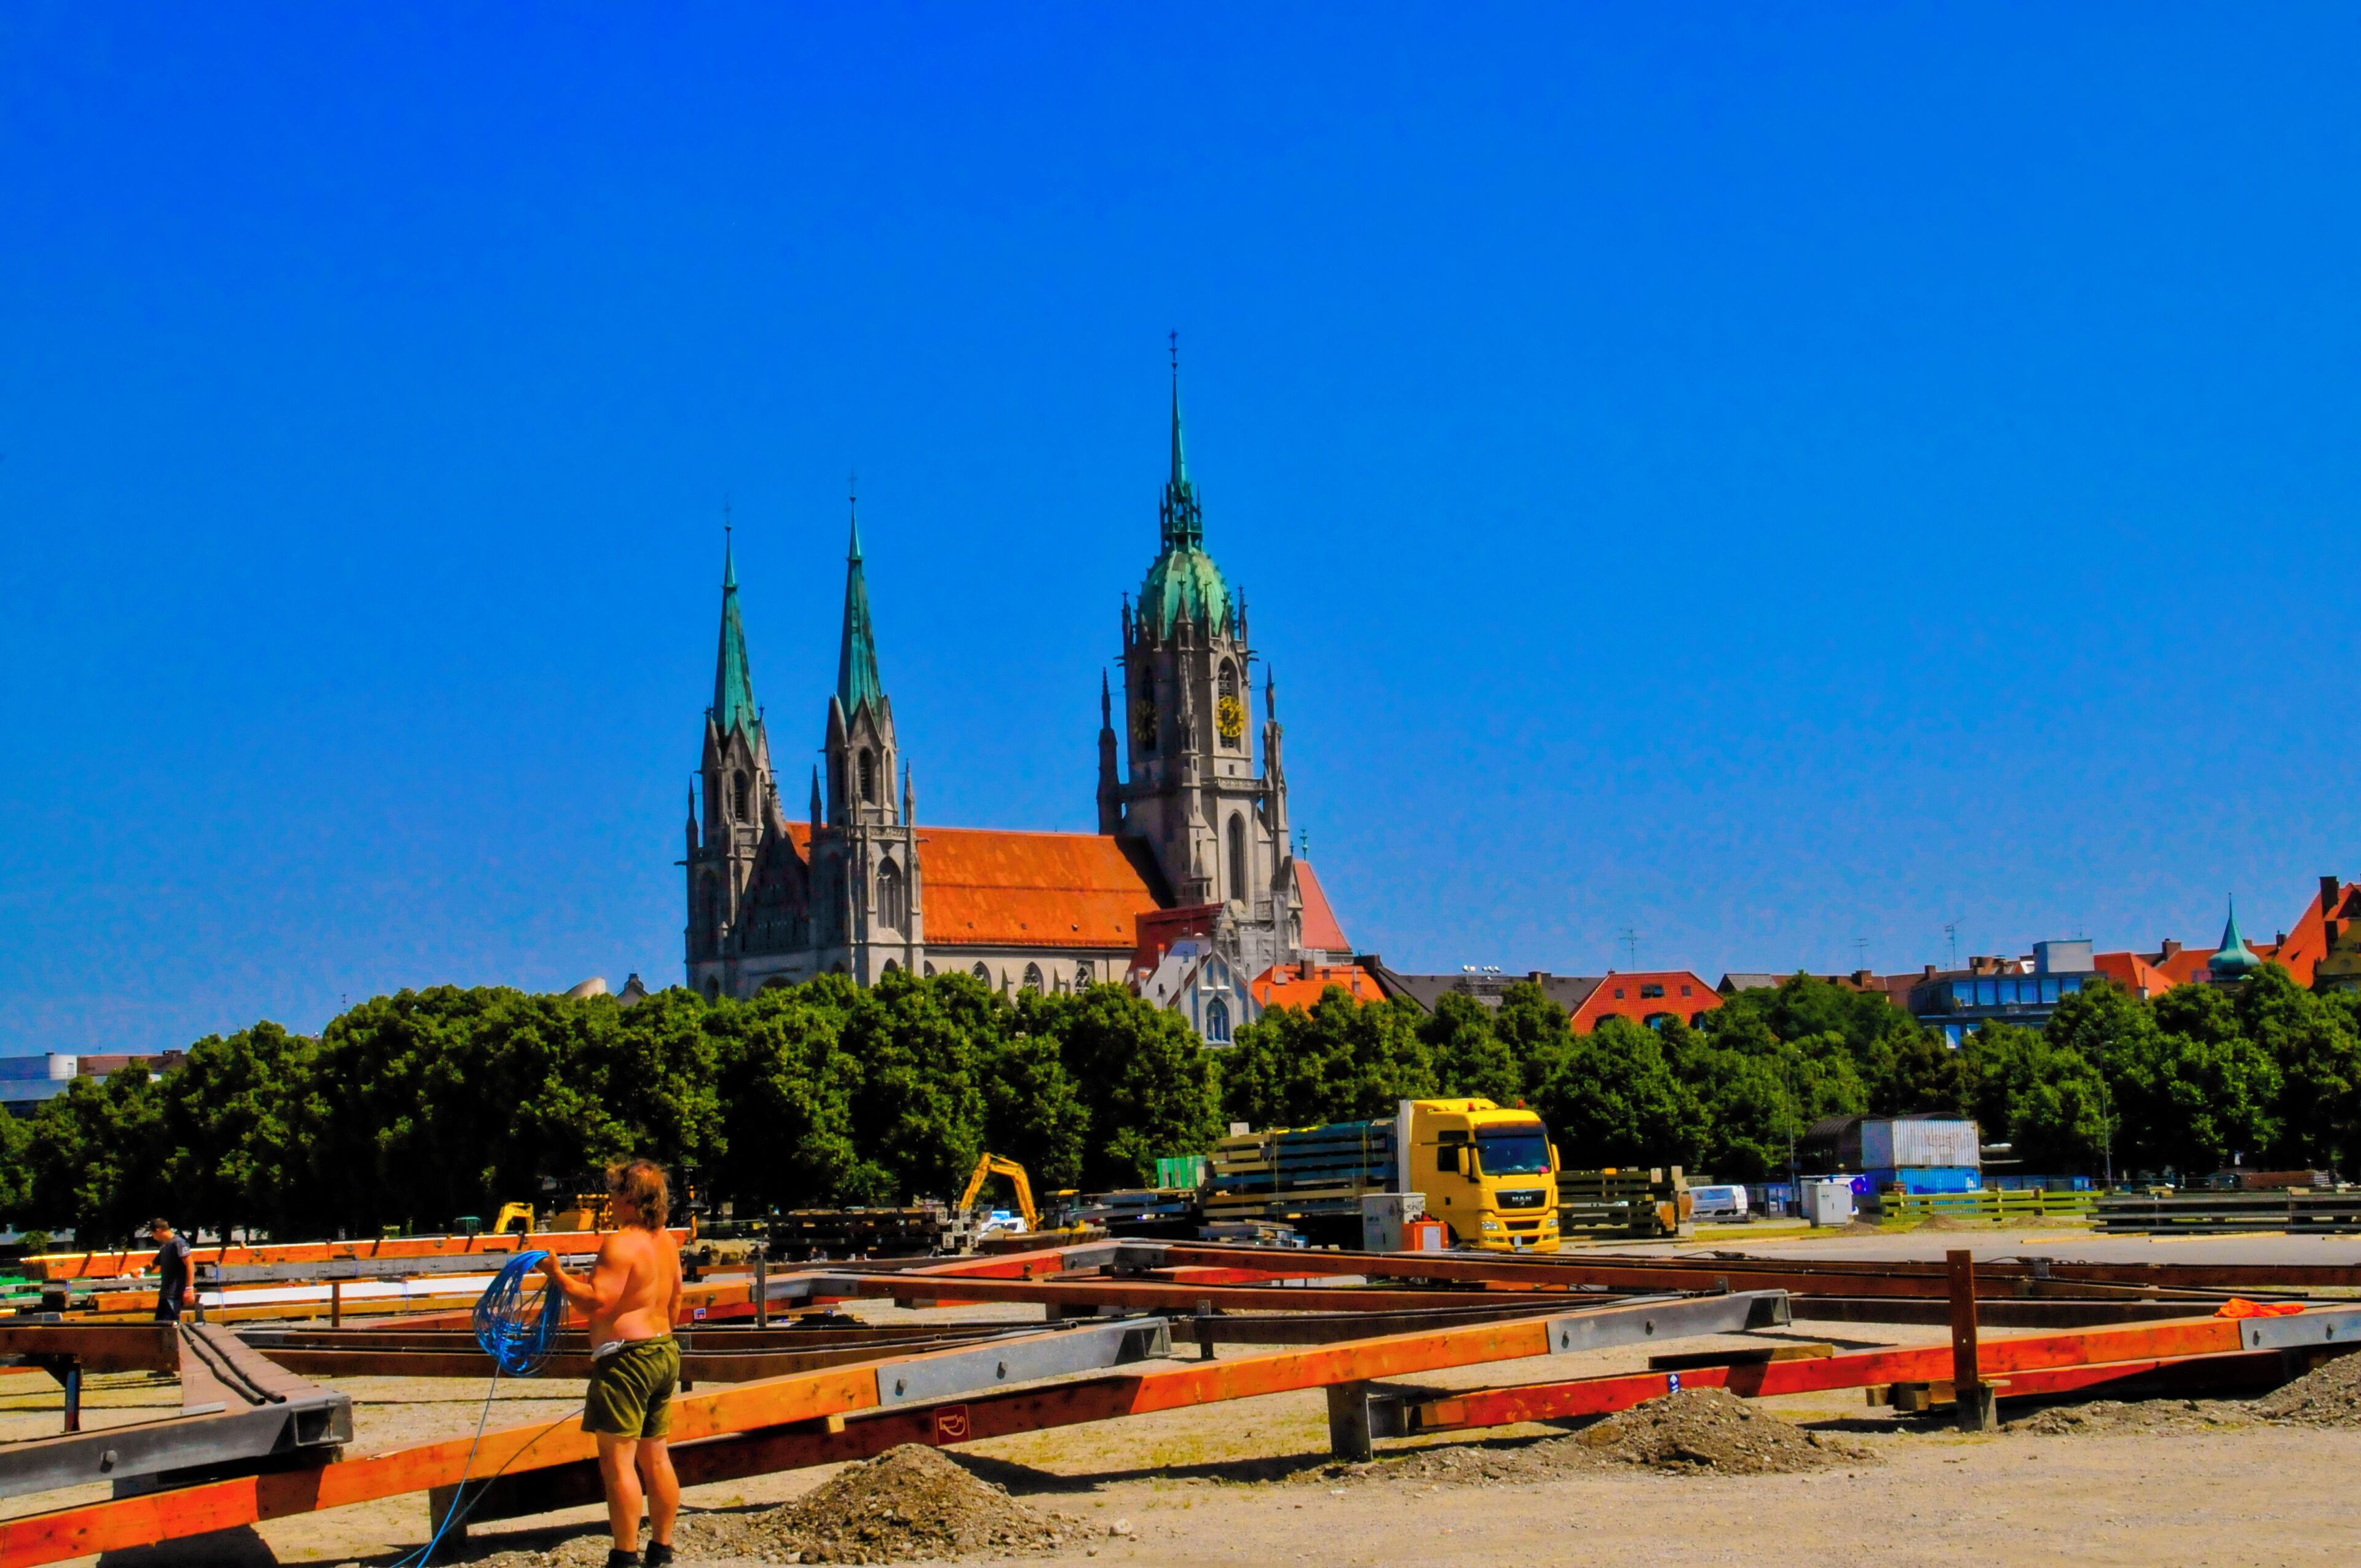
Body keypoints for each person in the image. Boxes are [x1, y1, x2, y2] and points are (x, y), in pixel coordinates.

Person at [538, 1160, 682, 1568]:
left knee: (617, 1460)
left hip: (626, 1359)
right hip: (662, 1349)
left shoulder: (622, 1243)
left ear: (631, 1199)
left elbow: (596, 1303)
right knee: (655, 1456)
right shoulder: (666, 1242)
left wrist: (558, 1276)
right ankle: (663, 1549)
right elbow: (675, 1302)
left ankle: (625, 1556)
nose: (609, 1200)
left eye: (615, 1192)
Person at [147, 1218, 192, 1323]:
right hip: (165, 1295)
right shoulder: (165, 1246)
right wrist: (140, 1270)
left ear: (158, 1230)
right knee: (159, 1326)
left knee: (169, 1327)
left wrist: (189, 1288)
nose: (153, 1237)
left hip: (174, 1295)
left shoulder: (179, 1243)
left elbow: (190, 1264)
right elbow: (154, 1264)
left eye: (152, 1234)